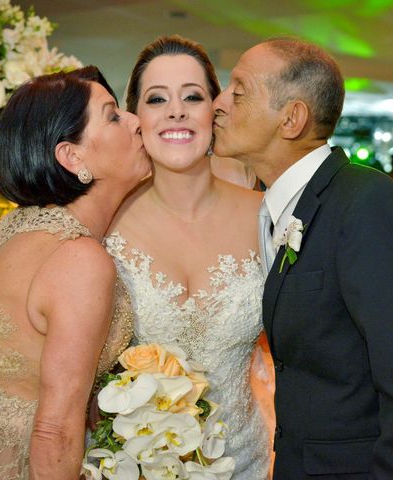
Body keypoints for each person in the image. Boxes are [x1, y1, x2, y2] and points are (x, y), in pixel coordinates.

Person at [212, 38, 393, 479]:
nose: (218, 104)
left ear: (291, 118)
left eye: (238, 92)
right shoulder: (275, 208)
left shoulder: (367, 203)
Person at [0, 66, 150, 479]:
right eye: (112, 115)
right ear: (72, 156)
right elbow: (54, 431)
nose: (135, 119)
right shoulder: (79, 259)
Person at [103, 35, 271, 479]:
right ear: (136, 119)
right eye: (157, 99)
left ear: (213, 112)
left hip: (244, 461)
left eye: (192, 97)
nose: (176, 110)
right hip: (127, 465)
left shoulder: (268, 218)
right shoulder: (104, 225)